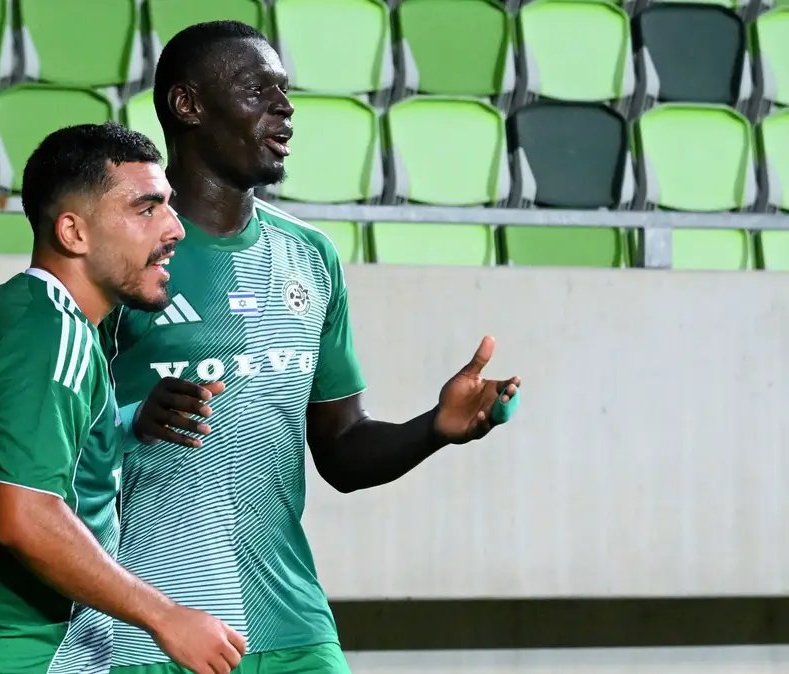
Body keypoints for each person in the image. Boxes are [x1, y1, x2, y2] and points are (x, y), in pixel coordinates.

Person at [103, 22, 523, 674]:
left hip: (290, 622)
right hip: (148, 629)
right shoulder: (120, 255)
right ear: (188, 104)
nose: (285, 108)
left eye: (284, 90)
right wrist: (132, 418)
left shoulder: (310, 256)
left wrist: (434, 429)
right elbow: (46, 437)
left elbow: (342, 449)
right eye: (257, 91)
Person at [0, 123, 246, 674]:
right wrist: (165, 616)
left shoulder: (0, 314)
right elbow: (24, 516)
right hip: (19, 659)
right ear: (73, 232)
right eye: (146, 209)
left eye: (168, 206)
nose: (174, 228)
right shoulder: (52, 334)